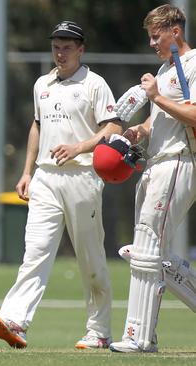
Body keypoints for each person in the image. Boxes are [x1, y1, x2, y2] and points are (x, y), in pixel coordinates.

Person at [0, 21, 122, 349]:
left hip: (82, 176)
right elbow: (37, 126)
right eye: (56, 46)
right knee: (35, 251)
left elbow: (114, 127)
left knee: (90, 260)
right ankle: (16, 321)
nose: (60, 52)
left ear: (81, 49)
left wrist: (79, 147)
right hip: (46, 177)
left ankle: (99, 332)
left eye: (67, 47)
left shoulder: (95, 83)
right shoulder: (42, 84)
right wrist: (26, 171)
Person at [109, 4, 196, 353]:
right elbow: (162, 119)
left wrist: (156, 95)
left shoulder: (192, 64)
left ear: (175, 31)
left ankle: (139, 338)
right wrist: (140, 131)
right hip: (156, 162)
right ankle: (144, 334)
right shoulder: (166, 68)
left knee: (145, 249)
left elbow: (193, 114)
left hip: (179, 161)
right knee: (146, 250)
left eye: (156, 35)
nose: (151, 42)